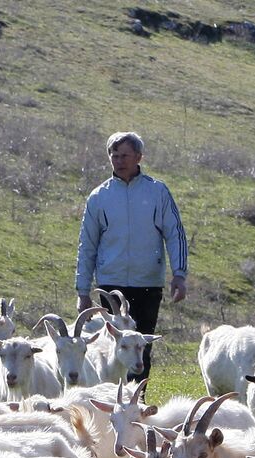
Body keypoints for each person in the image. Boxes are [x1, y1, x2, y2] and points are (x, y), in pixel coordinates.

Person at [75, 131, 187, 382]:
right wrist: (83, 291)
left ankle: (137, 403)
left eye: (125, 155)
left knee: (140, 346)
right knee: (112, 347)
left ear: (139, 157)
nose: (119, 160)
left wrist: (179, 275)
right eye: (114, 155)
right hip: (110, 285)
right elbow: (87, 245)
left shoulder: (157, 192)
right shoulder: (99, 197)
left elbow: (175, 233)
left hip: (147, 283)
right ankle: (112, 401)